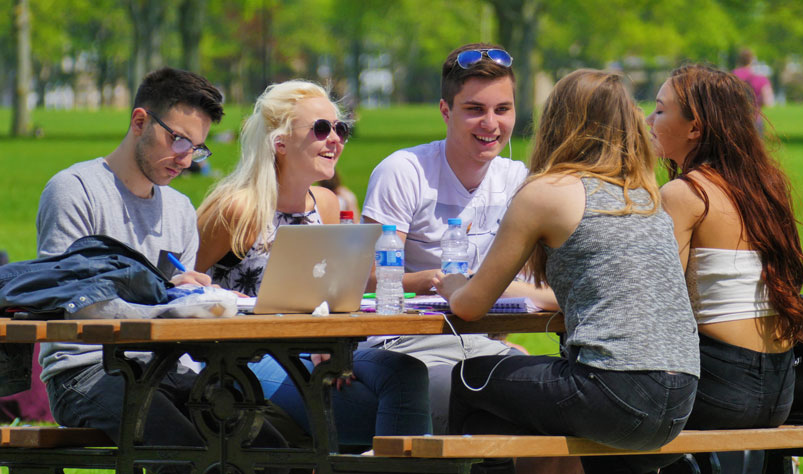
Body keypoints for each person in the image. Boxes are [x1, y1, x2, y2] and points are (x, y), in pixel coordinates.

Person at [434, 69, 701, 474]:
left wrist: (453, 283)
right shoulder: (643, 195)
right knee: (537, 406)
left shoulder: (548, 191)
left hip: (616, 391)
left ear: (557, 122)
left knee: (471, 378)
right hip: (680, 395)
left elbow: (471, 307)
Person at [35, 67, 287, 452]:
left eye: (197, 148)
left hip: (169, 368)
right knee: (183, 453)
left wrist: (198, 300)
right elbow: (71, 303)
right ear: (140, 121)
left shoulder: (180, 209)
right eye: (180, 140)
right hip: (85, 371)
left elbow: (173, 304)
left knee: (271, 451)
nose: (186, 159)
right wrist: (169, 306)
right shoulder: (74, 190)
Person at [195, 80, 431, 447]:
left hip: (313, 350)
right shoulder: (238, 210)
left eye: (341, 128)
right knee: (386, 413)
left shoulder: (325, 203)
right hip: (243, 358)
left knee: (407, 373)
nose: (335, 138)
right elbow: (178, 285)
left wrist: (333, 340)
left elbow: (330, 294)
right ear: (280, 142)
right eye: (321, 129)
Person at [359, 43, 558, 434]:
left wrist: (480, 295)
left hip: (480, 345)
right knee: (497, 410)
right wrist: (436, 281)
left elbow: (550, 287)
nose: (491, 124)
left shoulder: (519, 180)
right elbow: (366, 276)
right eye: (474, 110)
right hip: (403, 346)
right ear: (445, 111)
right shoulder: (404, 171)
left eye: (503, 110)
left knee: (562, 415)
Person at [646, 65, 803, 472]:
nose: (649, 120)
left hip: (721, 386)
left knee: (598, 408)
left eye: (660, 110)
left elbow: (653, 302)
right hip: (779, 385)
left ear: (694, 128)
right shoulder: (764, 187)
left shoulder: (685, 193)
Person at [732, 49, 775, 133]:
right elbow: (768, 102)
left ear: (739, 60)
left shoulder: (730, 77)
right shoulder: (760, 78)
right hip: (754, 121)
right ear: (752, 60)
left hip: (734, 122)